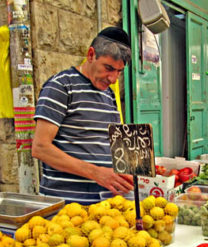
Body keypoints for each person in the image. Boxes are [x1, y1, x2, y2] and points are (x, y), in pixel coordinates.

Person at [32, 27, 134, 204]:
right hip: (66, 206)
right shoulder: (60, 86)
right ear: (91, 54)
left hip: (105, 206)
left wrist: (133, 167)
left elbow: (110, 144)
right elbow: (40, 148)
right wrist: (96, 173)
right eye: (108, 68)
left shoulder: (108, 94)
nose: (113, 79)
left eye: (119, 71)